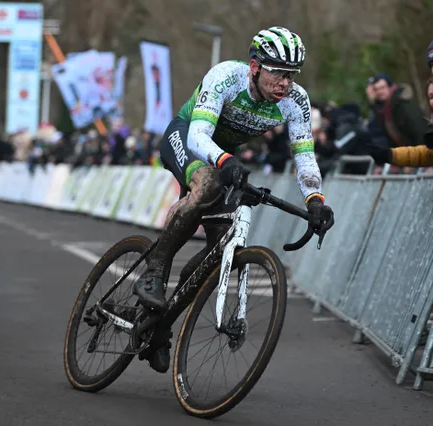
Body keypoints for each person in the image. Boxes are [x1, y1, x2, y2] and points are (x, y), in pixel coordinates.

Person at [133, 26, 335, 373]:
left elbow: (304, 157)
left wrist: (315, 199)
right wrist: (225, 161)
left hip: (222, 156)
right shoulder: (227, 76)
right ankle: (153, 272)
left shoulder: (295, 101)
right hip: (187, 137)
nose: (285, 83)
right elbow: (198, 135)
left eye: (291, 75)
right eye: (277, 73)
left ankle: (160, 324)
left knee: (221, 249)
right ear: (255, 66)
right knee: (209, 183)